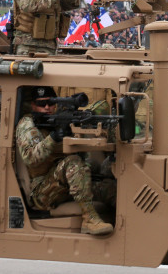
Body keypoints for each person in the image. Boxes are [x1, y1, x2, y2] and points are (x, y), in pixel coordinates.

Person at [15, 85, 113, 235]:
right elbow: (31, 158)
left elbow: (84, 157)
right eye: (41, 104)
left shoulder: (59, 119)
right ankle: (90, 219)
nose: (47, 107)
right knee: (72, 161)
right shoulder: (28, 124)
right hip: (42, 192)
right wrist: (53, 137)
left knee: (109, 189)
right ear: (33, 105)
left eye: (51, 103)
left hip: (68, 185)